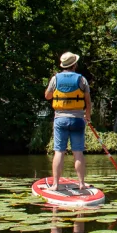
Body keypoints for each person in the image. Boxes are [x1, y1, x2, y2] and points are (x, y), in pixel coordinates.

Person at [44, 52, 91, 191]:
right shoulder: (82, 79)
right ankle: (81, 183)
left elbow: (47, 96)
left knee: (59, 152)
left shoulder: (55, 79)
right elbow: (88, 102)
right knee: (78, 152)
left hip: (60, 119)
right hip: (78, 120)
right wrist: (87, 117)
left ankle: (56, 185)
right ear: (74, 65)